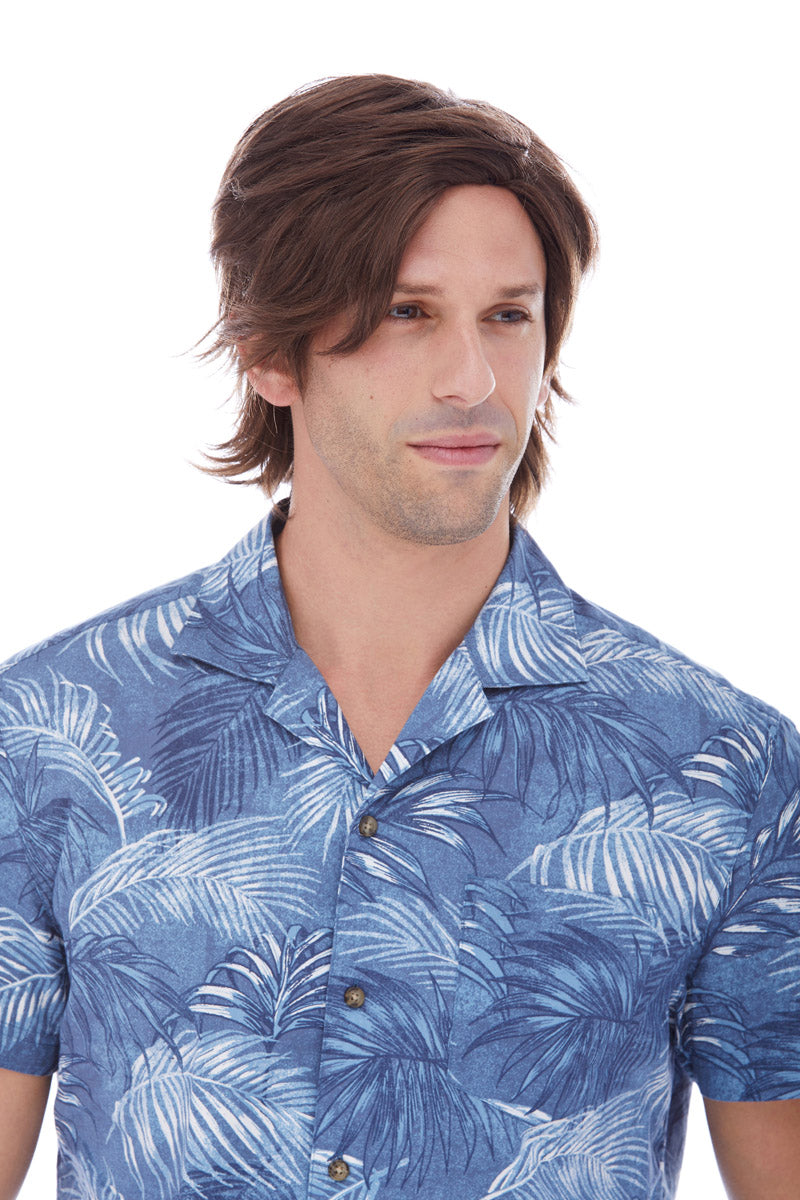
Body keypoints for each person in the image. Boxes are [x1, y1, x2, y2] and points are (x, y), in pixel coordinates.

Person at [0, 72, 798, 1200]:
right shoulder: (47, 733)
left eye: (507, 316)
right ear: (270, 354)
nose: (474, 381)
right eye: (406, 313)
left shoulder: (725, 769)